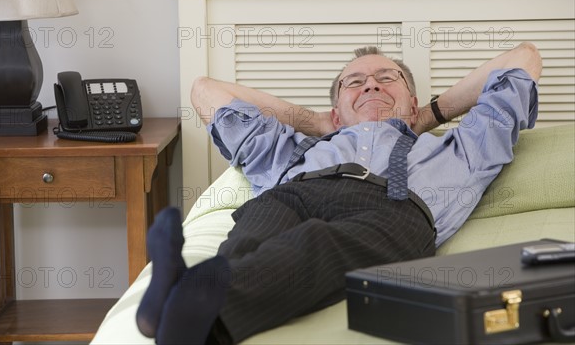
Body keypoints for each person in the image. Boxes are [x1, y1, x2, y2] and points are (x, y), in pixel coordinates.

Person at [136, 42, 542, 345]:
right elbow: (206, 91)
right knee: (253, 232)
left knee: (318, 243)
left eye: (387, 79)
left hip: (393, 210)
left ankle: (179, 297)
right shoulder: (289, 148)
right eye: (355, 82)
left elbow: (522, 59)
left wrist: (429, 115)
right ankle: (188, 309)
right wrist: (313, 121)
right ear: (335, 111)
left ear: (412, 99)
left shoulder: (461, 149)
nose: (371, 85)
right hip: (293, 193)